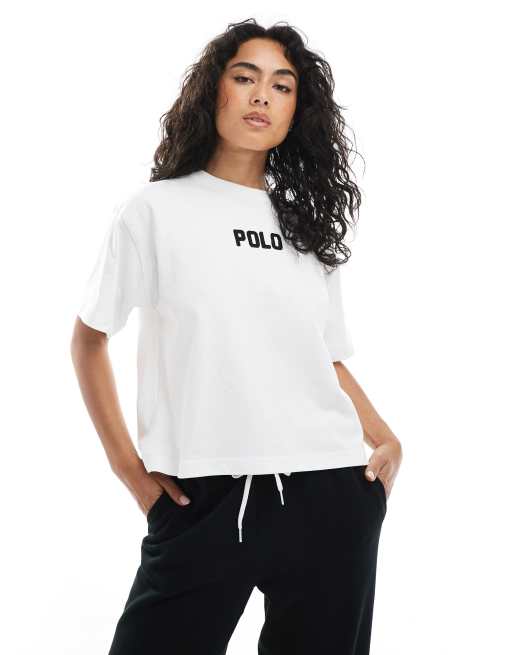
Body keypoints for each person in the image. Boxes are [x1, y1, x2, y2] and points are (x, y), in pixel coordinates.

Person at [70, 19, 403, 655]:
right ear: (213, 91)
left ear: (297, 111)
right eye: (245, 77)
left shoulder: (305, 227)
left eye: (282, 86)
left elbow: (323, 357)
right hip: (204, 497)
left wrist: (385, 437)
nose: (261, 96)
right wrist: (130, 473)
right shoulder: (155, 211)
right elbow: (89, 339)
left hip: (330, 492)